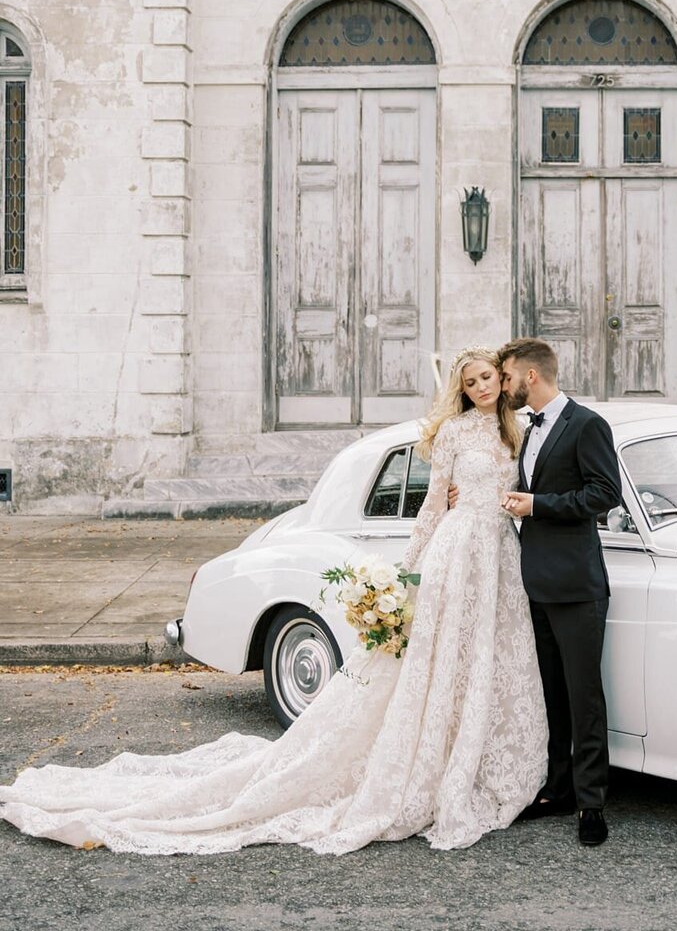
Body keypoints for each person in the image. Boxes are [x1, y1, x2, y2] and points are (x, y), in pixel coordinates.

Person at [0, 349, 548, 855]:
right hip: (456, 553)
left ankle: (481, 760)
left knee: (491, 660)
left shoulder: (514, 430)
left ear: (503, 383)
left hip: (500, 554)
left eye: (486, 379)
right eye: (470, 380)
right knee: (440, 661)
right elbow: (432, 502)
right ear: (460, 387)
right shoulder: (452, 433)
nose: (479, 387)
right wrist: (408, 570)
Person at [497, 337, 622, 847]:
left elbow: (604, 493)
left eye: (506, 377)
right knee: (551, 694)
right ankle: (558, 789)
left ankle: (592, 804)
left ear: (530, 376)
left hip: (576, 585)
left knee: (584, 695)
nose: (502, 386)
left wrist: (538, 505)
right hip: (536, 583)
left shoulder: (587, 424)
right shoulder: (529, 429)